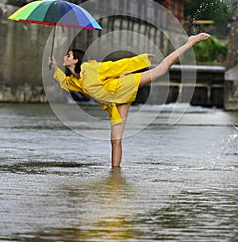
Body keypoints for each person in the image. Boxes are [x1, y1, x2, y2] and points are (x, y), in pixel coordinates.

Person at [49, 32, 210, 167]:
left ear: (76, 60)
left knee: (161, 69)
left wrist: (141, 60)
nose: (65, 57)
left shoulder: (92, 69)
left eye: (68, 55)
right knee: (115, 140)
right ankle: (115, 173)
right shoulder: (75, 81)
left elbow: (117, 65)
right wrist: (55, 67)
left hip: (124, 86)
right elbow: (65, 84)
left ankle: (190, 42)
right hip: (116, 103)